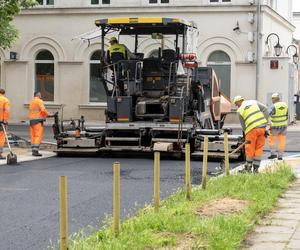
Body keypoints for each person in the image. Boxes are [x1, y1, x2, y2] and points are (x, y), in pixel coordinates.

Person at [233, 96, 270, 173]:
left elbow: (243, 126)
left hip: (251, 130)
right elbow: (265, 109)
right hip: (262, 128)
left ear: (239, 101)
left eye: (236, 104)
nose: (237, 106)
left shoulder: (240, 110)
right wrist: (265, 122)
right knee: (259, 148)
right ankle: (256, 169)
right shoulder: (254, 102)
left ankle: (248, 168)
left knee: (250, 148)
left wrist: (245, 135)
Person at [268, 93, 288, 160]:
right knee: (282, 141)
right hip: (284, 126)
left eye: (272, 98)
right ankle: (280, 156)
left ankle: (273, 154)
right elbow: (287, 115)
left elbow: (268, 114)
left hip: (275, 126)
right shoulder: (285, 105)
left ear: (273, 99)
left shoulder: (273, 106)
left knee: (272, 140)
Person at [28, 91, 49, 156]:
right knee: (37, 135)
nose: (41, 95)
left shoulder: (32, 102)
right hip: (38, 121)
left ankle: (33, 150)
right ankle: (36, 151)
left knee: (33, 136)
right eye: (40, 94)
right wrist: (48, 114)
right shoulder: (39, 101)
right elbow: (43, 110)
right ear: (38, 95)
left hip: (32, 121)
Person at [0, 88, 10, 159]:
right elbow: (6, 111)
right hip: (1, 122)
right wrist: (5, 121)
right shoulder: (5, 100)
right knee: (1, 137)